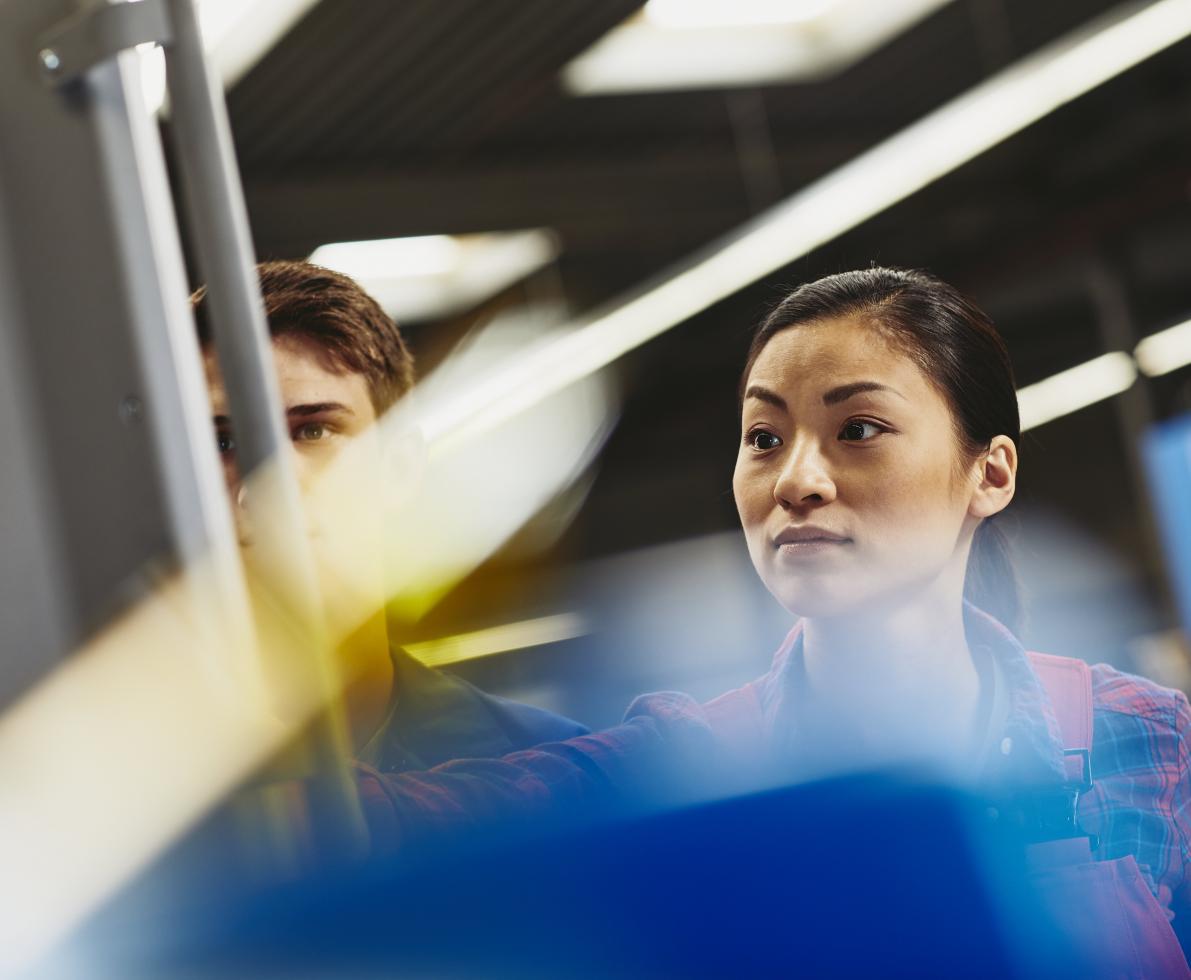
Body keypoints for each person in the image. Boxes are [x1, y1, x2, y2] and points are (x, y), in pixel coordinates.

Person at [349, 268, 1191, 975]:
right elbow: (380, 827)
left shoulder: (1148, 739)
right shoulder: (685, 770)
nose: (796, 480)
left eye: (857, 429)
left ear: (990, 473)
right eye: (762, 437)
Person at [192, 259, 587, 772]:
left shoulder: (545, 770)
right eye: (223, 441)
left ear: (399, 469)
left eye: (313, 431)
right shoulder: (108, 794)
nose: (266, 489)